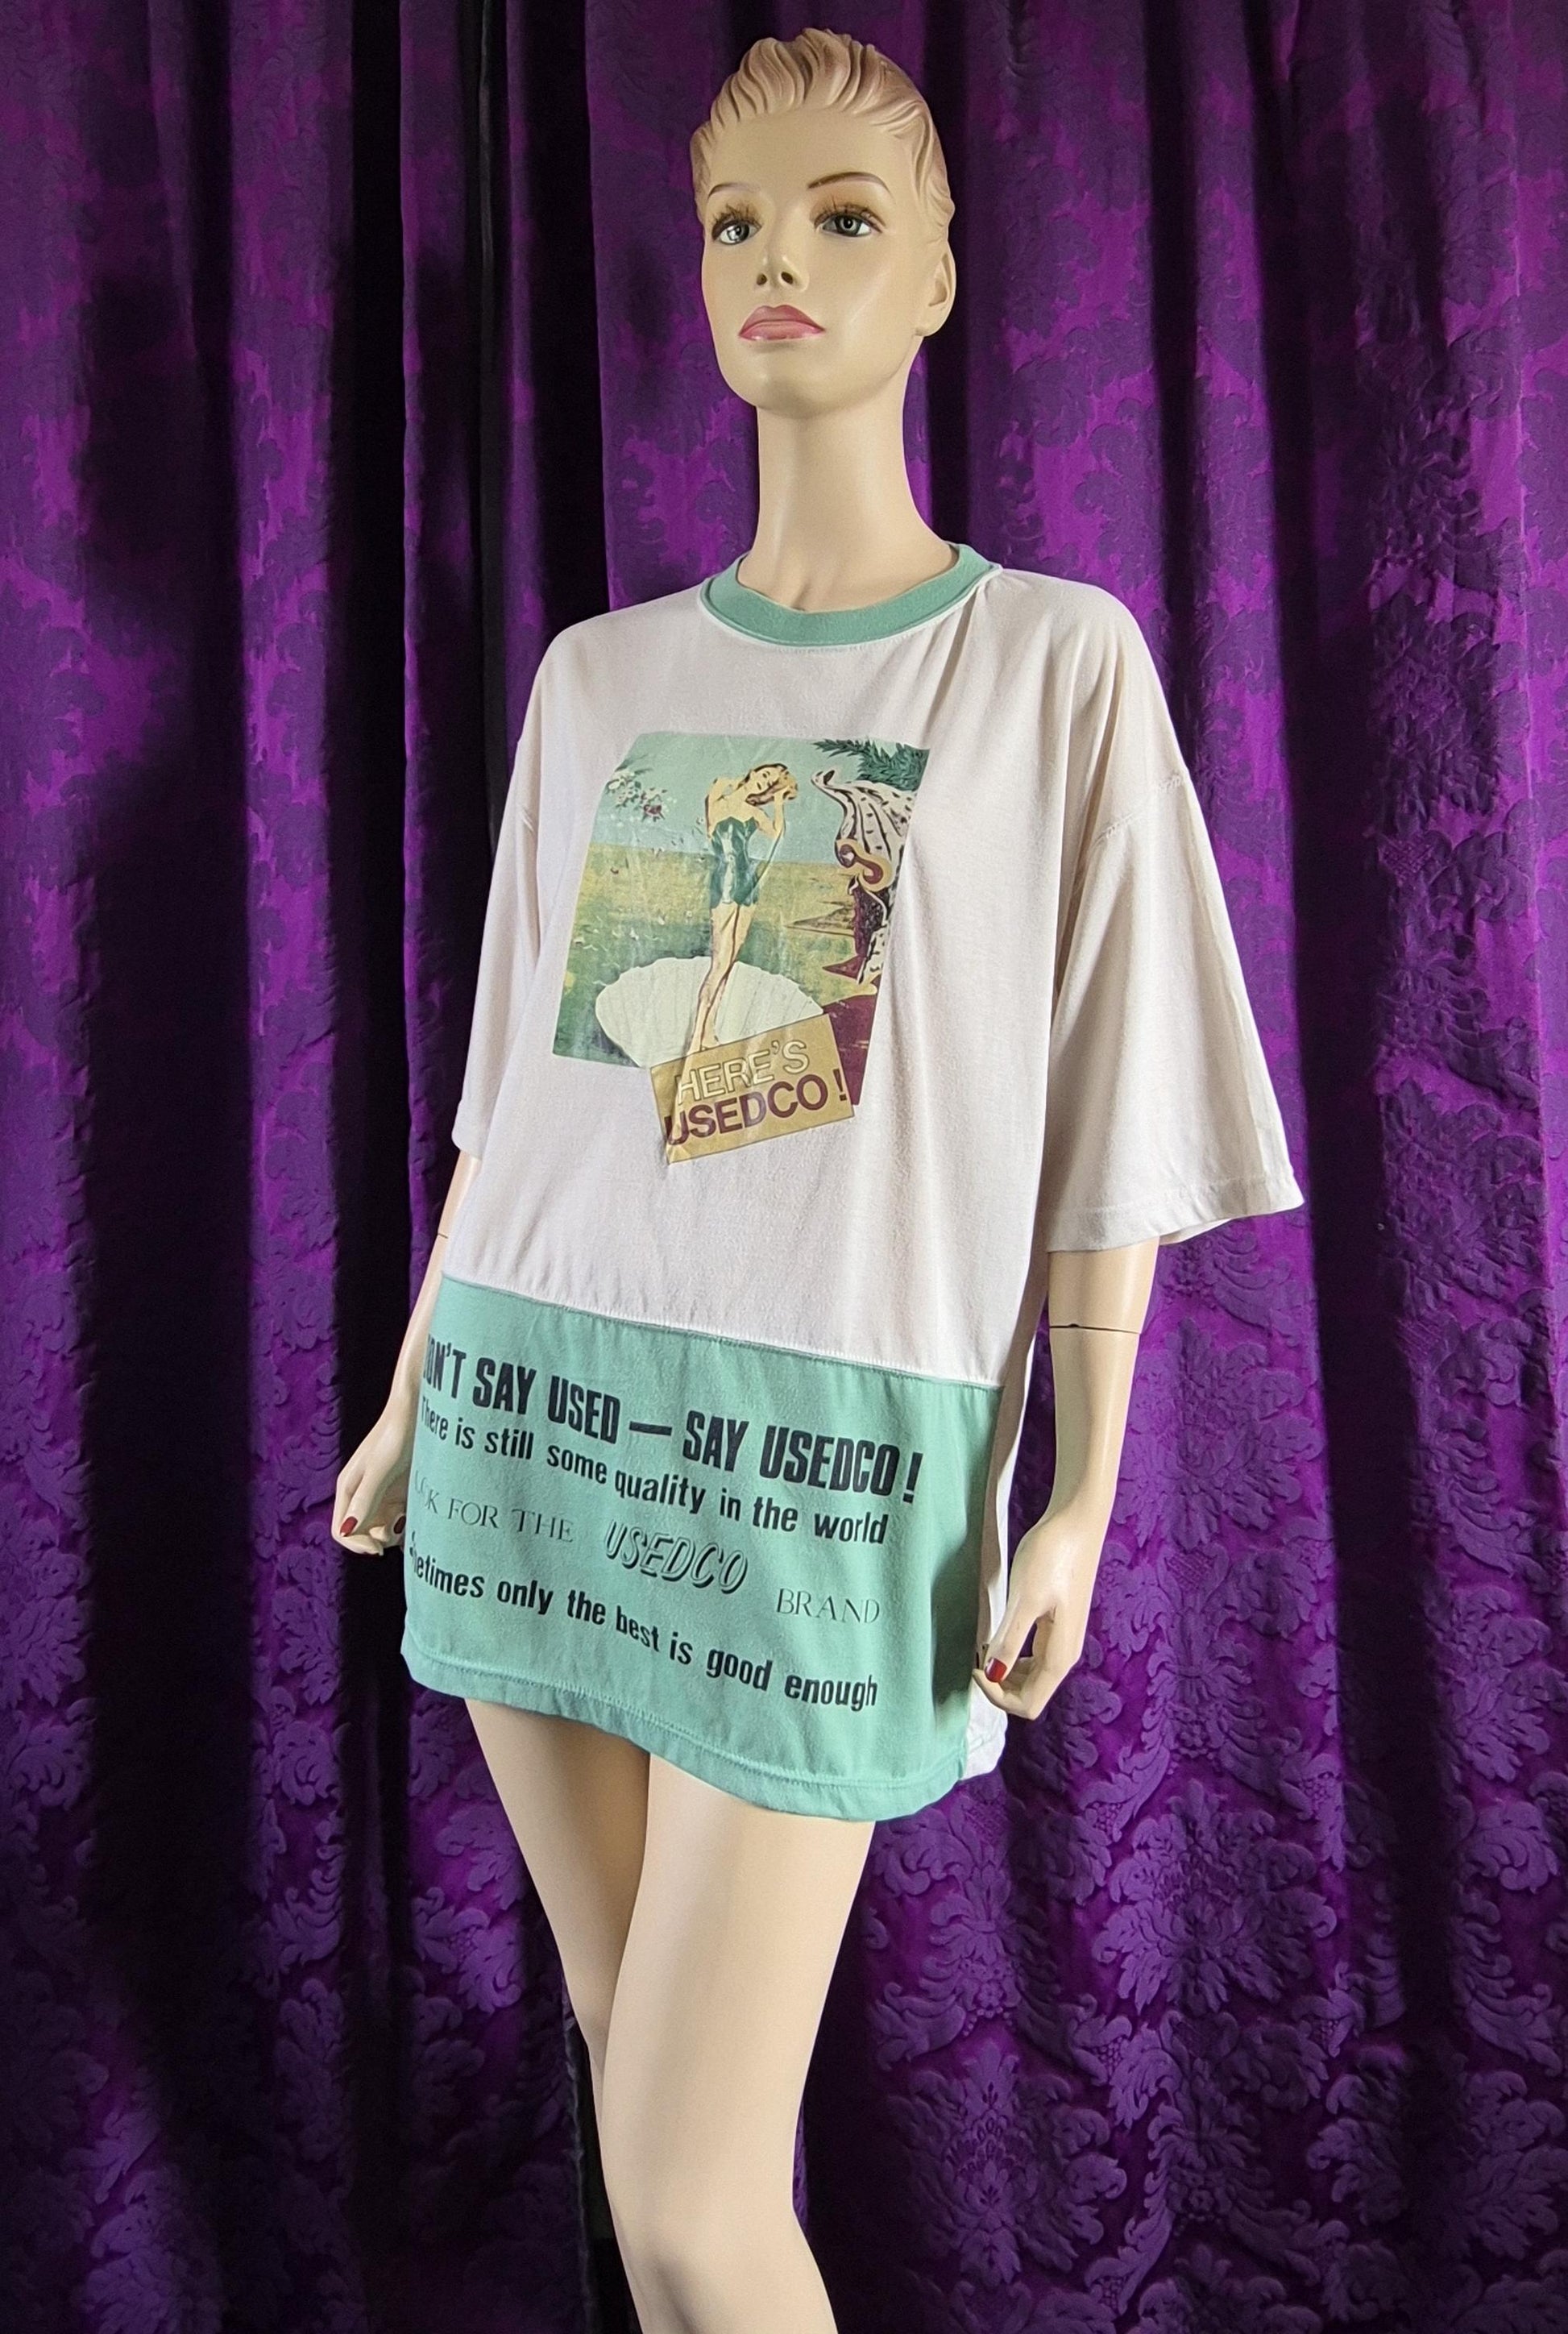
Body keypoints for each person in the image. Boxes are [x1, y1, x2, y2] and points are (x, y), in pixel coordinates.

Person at [333, 28, 1304, 2334]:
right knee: (649, 2125)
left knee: (686, 2196)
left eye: (845, 216)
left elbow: (1108, 1085)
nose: (781, 258)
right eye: (736, 223)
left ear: (941, 273)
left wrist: (1078, 1486)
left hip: (823, 1475)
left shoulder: (1048, 664)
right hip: (536, 1424)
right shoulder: (598, 682)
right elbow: (518, 1101)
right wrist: (411, 1390)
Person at [687, 759, 795, 1054]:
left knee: (730, 961)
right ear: (754, 771)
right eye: (765, 774)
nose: (765, 781)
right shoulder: (719, 800)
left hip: (748, 885)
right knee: (719, 963)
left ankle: (709, 1031)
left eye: (770, 781)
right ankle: (696, 1036)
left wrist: (778, 803)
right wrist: (736, 782)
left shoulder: (755, 812)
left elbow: (776, 834)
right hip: (724, 884)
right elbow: (717, 790)